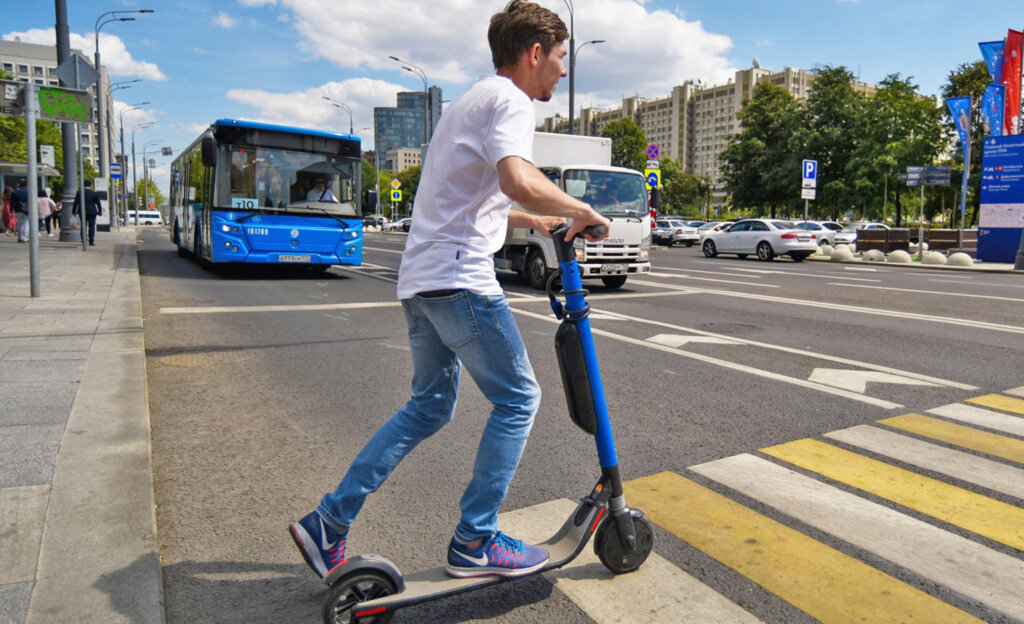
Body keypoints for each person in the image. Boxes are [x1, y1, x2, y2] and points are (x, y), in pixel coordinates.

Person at [289, 0, 610, 582]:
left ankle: (327, 523)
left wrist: (532, 222)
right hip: (460, 280)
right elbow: (517, 177)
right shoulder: (510, 100)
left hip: (422, 281)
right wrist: (578, 208)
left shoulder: (470, 100)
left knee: (428, 407)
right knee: (518, 399)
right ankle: (475, 539)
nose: (564, 71)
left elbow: (468, 197)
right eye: (561, 58)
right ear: (534, 53)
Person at [72, 179, 103, 245]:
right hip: (92, 212)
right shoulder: (94, 193)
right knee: (92, 226)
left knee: (83, 225)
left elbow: (75, 203)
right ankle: (91, 241)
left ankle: (83, 240)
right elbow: (98, 203)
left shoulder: (79, 192)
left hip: (82, 211)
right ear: (90, 185)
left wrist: (74, 211)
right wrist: (100, 211)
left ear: (83, 185)